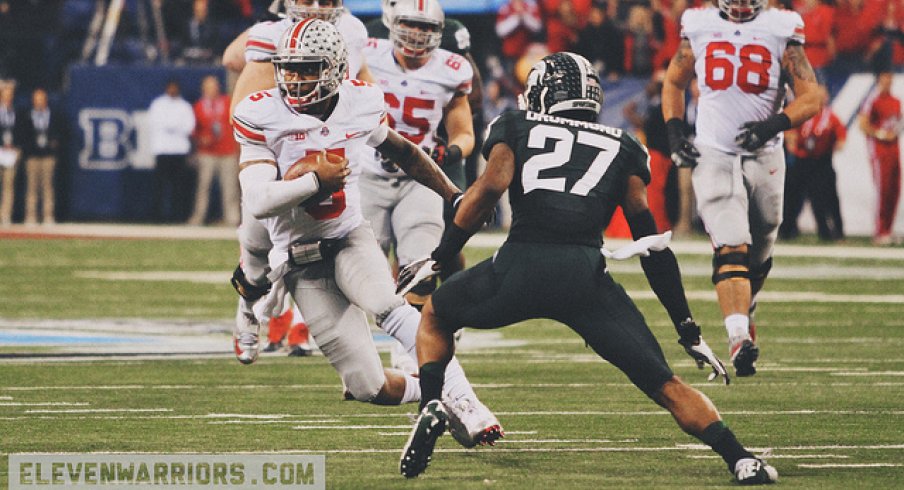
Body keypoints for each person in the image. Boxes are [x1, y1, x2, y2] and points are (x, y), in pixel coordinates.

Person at [395, 52, 774, 484]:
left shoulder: (516, 125)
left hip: (522, 263)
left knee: (436, 314)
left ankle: (430, 405)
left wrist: (441, 256)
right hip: (585, 277)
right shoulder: (625, 145)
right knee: (665, 384)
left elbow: (488, 191)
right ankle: (741, 458)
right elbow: (651, 244)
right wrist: (687, 328)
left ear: (540, 93)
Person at [232, 18, 502, 447]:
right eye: (289, 68)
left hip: (346, 237)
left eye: (307, 68)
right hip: (300, 259)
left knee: (390, 306)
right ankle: (434, 401)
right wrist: (315, 180)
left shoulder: (359, 101)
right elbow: (260, 201)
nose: (295, 78)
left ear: (337, 68)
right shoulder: (260, 111)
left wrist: (452, 194)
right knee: (366, 386)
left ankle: (467, 402)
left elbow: (403, 151)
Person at [661, 0, 822, 377]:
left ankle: (746, 308)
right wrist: (674, 129)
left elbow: (811, 97)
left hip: (764, 153)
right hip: (713, 151)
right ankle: (738, 338)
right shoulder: (698, 23)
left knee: (763, 238)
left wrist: (771, 126)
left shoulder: (782, 27)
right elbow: (674, 81)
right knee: (732, 240)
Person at [222, 0, 374, 356]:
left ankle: (301, 328)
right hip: (280, 161)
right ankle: (247, 311)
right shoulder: (271, 34)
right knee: (257, 249)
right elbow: (241, 107)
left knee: (324, 246)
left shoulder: (351, 29)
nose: (318, 7)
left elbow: (365, 82)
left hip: (331, 157)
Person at [360, 0, 474, 309]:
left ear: (439, 32)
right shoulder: (365, 54)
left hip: (419, 178)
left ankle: (411, 353)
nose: (416, 34)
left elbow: (464, 133)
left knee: (420, 268)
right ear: (392, 26)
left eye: (425, 27)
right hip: (367, 172)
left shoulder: (452, 69)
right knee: (361, 267)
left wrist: (448, 153)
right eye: (409, 24)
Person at [781, 88, 846, 241]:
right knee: (792, 197)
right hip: (802, 160)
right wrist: (792, 145)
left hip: (821, 161)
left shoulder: (830, 116)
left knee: (825, 198)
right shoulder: (803, 113)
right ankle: (787, 230)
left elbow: (841, 136)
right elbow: (789, 130)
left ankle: (831, 232)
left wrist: (832, 149)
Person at [188, 75, 240, 227]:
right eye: (209, 87)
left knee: (230, 188)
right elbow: (192, 130)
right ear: (204, 89)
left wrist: (237, 149)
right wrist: (200, 138)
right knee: (203, 187)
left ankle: (232, 218)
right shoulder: (198, 106)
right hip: (207, 153)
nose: (213, 89)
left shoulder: (227, 102)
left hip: (227, 151)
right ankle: (199, 216)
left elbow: (236, 125)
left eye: (214, 86)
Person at [859, 69, 902, 246]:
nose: (887, 81)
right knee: (882, 190)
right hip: (879, 151)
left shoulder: (896, 101)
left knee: (895, 189)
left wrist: (894, 132)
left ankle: (888, 230)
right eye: (884, 78)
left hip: (894, 150)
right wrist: (880, 134)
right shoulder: (873, 100)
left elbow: (898, 123)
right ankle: (879, 230)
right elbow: (863, 123)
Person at [147, 79, 196, 223]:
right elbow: (155, 123)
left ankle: (177, 217)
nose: (172, 90)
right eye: (170, 88)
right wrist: (174, 126)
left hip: (179, 151)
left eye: (175, 88)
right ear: (167, 88)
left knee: (178, 188)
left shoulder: (184, 106)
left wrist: (173, 127)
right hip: (162, 150)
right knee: (159, 187)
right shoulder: (158, 104)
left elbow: (189, 126)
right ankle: (157, 217)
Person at [22, 87, 61, 225]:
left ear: (45, 100)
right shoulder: (28, 115)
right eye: (36, 99)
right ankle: (30, 216)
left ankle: (48, 215)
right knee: (32, 187)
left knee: (47, 187)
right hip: (32, 155)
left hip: (48, 155)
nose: (38, 102)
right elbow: (24, 135)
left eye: (41, 99)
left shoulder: (53, 115)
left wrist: (54, 144)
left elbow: (59, 132)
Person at [0, 80, 21, 226]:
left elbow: (22, 131)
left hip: (10, 153)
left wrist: (17, 148)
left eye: (10, 95)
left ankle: (5, 215)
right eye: (5, 95)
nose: (8, 97)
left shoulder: (16, 112)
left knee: (9, 186)